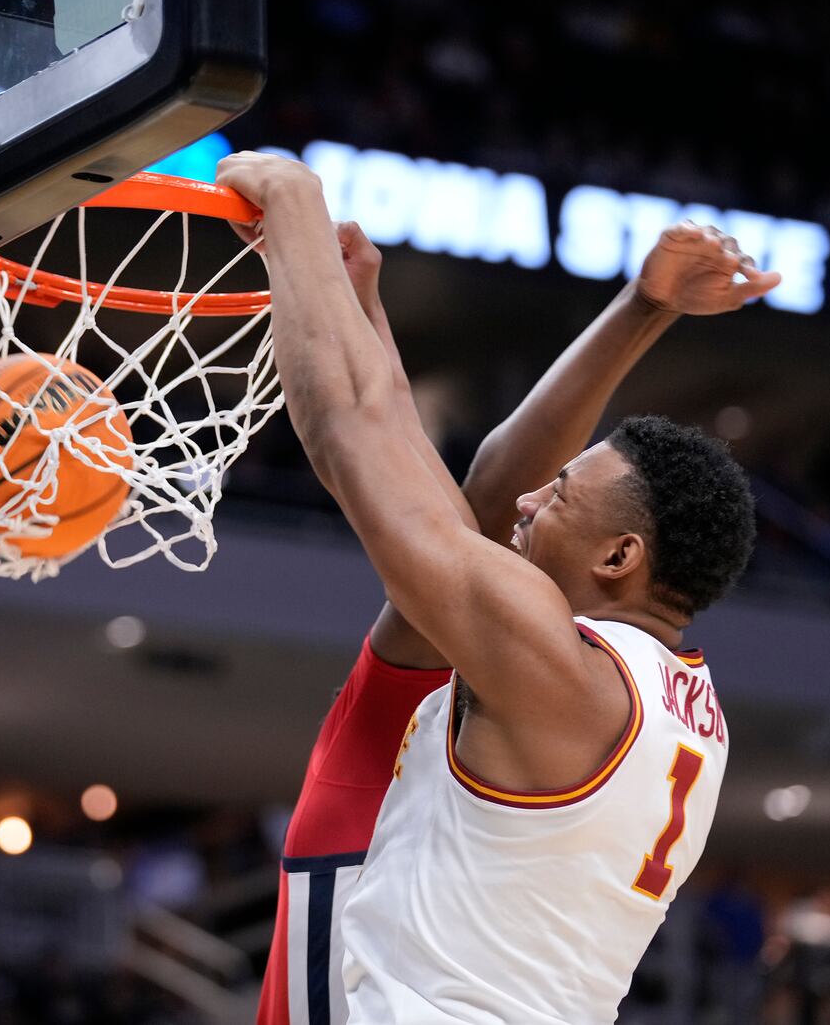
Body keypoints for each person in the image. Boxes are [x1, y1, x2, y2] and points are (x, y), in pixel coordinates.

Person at [216, 151, 773, 1025]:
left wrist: (293, 200)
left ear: (620, 557)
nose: (528, 496)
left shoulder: (558, 673)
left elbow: (352, 436)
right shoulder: (665, 692)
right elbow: (468, 509)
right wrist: (640, 307)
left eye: (558, 496)